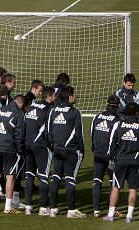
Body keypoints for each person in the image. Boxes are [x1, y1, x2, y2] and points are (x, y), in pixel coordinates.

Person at [104, 102, 139, 223]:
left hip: (120, 160)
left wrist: (110, 159)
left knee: (116, 187)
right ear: (137, 113)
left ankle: (110, 214)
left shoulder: (119, 125)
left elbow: (112, 142)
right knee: (133, 188)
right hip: (135, 161)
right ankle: (129, 216)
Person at [47, 86, 86, 218]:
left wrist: (53, 145)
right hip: (70, 150)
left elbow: (49, 130)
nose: (76, 97)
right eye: (74, 94)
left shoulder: (53, 111)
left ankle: (53, 208)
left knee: (56, 177)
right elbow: (79, 133)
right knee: (70, 178)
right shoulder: (75, 112)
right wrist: (81, 148)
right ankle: (71, 210)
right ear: (69, 97)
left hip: (56, 149)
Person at [0, 84, 25, 214]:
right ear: (21, 105)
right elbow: (19, 135)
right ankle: (8, 207)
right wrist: (20, 150)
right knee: (10, 178)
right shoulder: (18, 114)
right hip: (10, 149)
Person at [23, 86, 55, 216]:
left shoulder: (31, 107)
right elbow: (49, 131)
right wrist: (51, 146)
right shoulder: (49, 110)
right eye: (54, 96)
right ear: (49, 97)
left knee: (29, 176)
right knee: (43, 176)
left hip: (27, 145)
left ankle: (28, 206)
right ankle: (43, 207)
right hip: (41, 146)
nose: (55, 98)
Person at [91, 95, 122, 218]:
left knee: (97, 181)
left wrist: (94, 149)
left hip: (98, 154)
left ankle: (96, 210)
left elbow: (91, 134)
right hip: (111, 156)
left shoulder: (97, 117)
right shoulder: (118, 120)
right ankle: (111, 210)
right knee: (112, 182)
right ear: (118, 106)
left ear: (107, 104)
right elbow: (118, 140)